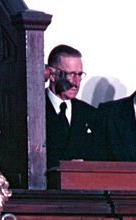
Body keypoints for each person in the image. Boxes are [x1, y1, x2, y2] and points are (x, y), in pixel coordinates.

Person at [44, 44, 102, 182]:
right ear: (52, 75)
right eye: (71, 75)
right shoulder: (35, 111)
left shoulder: (90, 114)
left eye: (79, 75)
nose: (76, 83)